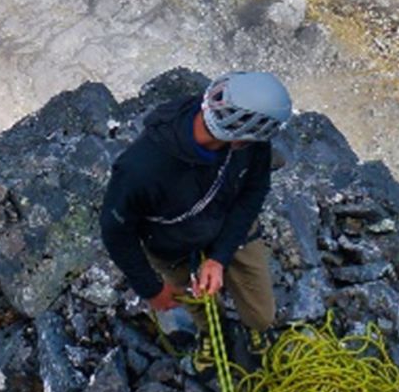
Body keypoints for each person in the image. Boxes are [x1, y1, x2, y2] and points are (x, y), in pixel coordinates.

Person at [100, 71, 292, 373]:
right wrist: (150, 288)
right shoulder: (140, 168)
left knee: (262, 315)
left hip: (229, 227)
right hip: (170, 244)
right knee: (197, 303)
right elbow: (115, 230)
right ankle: (211, 334)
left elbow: (254, 192)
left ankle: (255, 327)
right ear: (240, 133)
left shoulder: (249, 142)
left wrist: (219, 257)